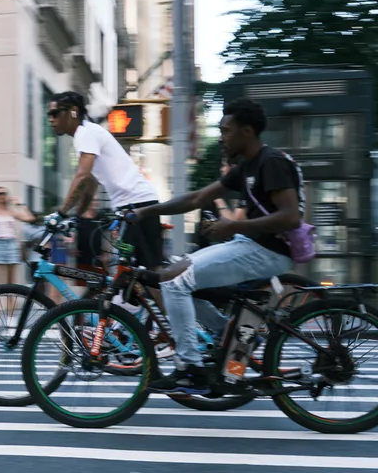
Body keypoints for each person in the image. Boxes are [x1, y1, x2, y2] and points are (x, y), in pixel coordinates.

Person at [129, 99, 305, 395]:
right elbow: (197, 198)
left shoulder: (271, 162)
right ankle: (235, 338)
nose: (221, 137)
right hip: (249, 244)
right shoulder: (245, 167)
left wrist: (233, 226)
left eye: (226, 130)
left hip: (269, 252)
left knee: (174, 283)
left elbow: (290, 217)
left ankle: (190, 369)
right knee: (176, 278)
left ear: (246, 131)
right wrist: (146, 211)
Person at [45, 91, 164, 271]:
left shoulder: (86, 133)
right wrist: (77, 217)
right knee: (126, 262)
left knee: (148, 269)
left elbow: (82, 176)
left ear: (73, 112)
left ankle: (165, 297)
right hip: (129, 207)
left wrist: (61, 214)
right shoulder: (86, 135)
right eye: (49, 115)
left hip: (138, 205)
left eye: (55, 114)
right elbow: (90, 184)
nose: (51, 120)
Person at [0, 187, 36, 309]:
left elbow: (30, 218)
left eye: (2, 193)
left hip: (11, 243)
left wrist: (20, 204)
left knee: (11, 282)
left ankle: (10, 314)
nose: (0, 196)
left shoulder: (11, 212)